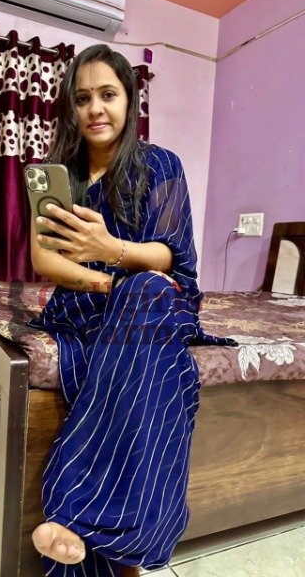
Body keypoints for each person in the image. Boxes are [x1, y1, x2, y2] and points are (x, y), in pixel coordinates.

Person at [28, 44, 233, 577]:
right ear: (71, 108)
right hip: (85, 307)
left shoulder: (159, 164)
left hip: (147, 299)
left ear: (130, 101)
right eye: (82, 98)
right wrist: (104, 282)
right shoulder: (58, 177)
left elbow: (168, 253)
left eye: (108, 95)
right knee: (155, 354)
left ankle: (71, 513)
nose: (95, 109)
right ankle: (129, 546)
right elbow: (44, 259)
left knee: (148, 291)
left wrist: (109, 250)